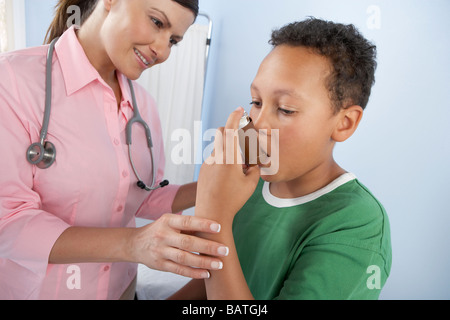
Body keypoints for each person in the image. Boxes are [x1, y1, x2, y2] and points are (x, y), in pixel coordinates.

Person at [0, 0, 229, 300]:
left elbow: (143, 195)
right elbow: (8, 221)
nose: (162, 50)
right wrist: (133, 244)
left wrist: (219, 182)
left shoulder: (143, 105)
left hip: (122, 290)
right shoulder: (14, 80)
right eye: (157, 23)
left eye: (173, 40)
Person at [170, 18, 392, 300]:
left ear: (344, 123)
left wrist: (215, 220)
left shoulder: (357, 224)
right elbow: (211, 282)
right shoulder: (249, 188)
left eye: (286, 109)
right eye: (256, 102)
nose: (257, 124)